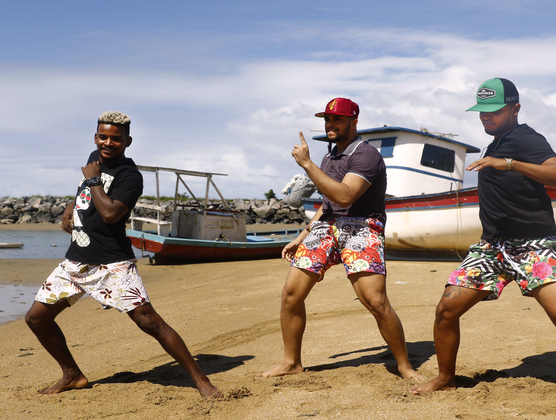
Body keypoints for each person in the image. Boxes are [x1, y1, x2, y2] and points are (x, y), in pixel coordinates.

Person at [409, 79, 556, 409]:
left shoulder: (525, 139)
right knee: (446, 310)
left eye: (494, 111)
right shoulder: (496, 142)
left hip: (534, 247)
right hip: (491, 248)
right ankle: (445, 379)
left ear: (515, 108)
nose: (486, 118)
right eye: (482, 113)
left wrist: (509, 163)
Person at [24, 111, 220, 399]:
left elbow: (111, 213)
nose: (108, 143)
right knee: (36, 318)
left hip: (112, 263)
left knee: (149, 322)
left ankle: (201, 380)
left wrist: (92, 181)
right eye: (103, 136)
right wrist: (71, 205)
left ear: (128, 141)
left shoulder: (131, 177)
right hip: (76, 262)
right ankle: (72, 374)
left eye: (116, 139)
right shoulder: (95, 157)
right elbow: (84, 192)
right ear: (95, 137)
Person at [258, 98, 422, 380]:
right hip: (327, 226)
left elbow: (345, 195)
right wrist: (302, 235)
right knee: (291, 294)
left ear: (353, 122)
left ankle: (404, 366)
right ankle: (291, 362)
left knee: (375, 301)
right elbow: (328, 203)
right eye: (327, 120)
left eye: (337, 119)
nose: (330, 124)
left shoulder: (365, 155)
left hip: (361, 225)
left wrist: (307, 164)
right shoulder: (329, 158)